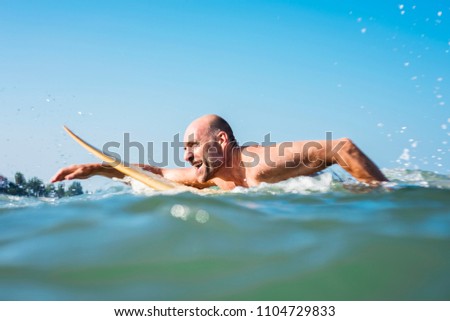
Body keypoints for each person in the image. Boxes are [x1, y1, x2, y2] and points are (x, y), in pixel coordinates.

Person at [51, 114, 388, 190]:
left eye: (192, 146)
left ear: (222, 142)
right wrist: (97, 168)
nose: (186, 157)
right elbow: (155, 174)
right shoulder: (211, 178)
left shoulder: (262, 163)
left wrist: (379, 194)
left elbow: (342, 147)